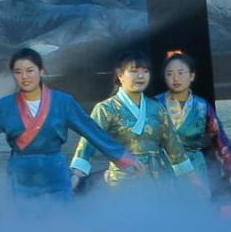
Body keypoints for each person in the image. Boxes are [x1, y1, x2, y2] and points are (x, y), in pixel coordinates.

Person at [0, 48, 140, 198]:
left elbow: (92, 132)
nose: (25, 77)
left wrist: (121, 156)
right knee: (27, 231)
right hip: (22, 176)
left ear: (41, 71)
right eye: (18, 72)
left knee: (62, 225)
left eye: (30, 70)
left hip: (55, 172)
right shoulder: (6, 106)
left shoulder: (63, 102)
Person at [70, 50, 199, 188]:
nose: (141, 76)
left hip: (159, 178)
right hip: (123, 179)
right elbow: (89, 141)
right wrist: (76, 174)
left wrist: (192, 178)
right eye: (134, 71)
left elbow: (173, 146)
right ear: (120, 75)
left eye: (145, 71)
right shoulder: (106, 108)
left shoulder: (156, 107)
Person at [157, 51, 231, 194]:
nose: (175, 78)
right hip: (164, 170)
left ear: (192, 76)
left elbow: (222, 145)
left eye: (181, 73)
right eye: (169, 74)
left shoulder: (202, 106)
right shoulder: (155, 105)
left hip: (196, 172)